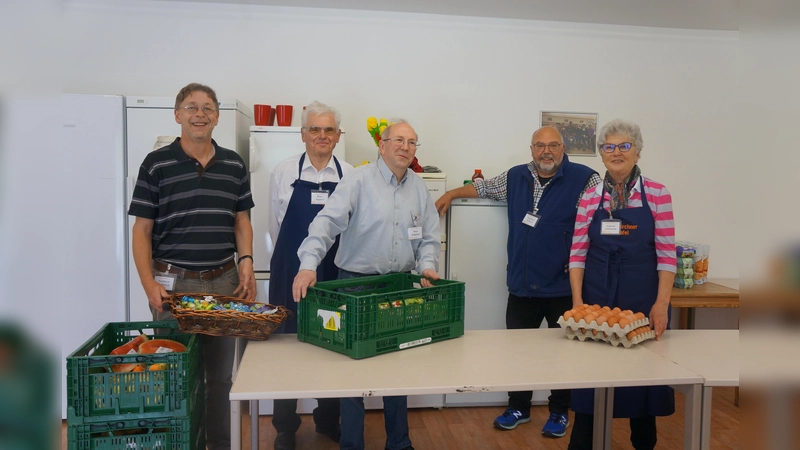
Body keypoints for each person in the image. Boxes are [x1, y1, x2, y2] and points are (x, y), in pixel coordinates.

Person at [435, 126, 601, 438]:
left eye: (553, 145)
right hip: (522, 285)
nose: (546, 151)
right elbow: (482, 188)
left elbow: (599, 221)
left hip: (563, 286)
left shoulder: (586, 179)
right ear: (531, 149)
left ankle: (559, 411)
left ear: (563, 148)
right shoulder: (515, 177)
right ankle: (518, 408)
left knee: (562, 356)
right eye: (540, 145)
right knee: (517, 353)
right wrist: (450, 193)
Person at [293, 119, 440, 450]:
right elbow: (325, 224)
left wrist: (428, 266)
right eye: (398, 140)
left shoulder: (419, 187)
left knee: (397, 368)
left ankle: (399, 443)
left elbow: (429, 238)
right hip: (355, 287)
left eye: (412, 142)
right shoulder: (358, 180)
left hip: (400, 287)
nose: (405, 146)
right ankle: (351, 444)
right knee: (353, 372)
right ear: (382, 144)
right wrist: (308, 265)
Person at [128, 83, 256, 450]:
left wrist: (246, 261)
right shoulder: (156, 164)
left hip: (224, 282)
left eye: (207, 108)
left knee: (220, 378)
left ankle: (218, 444)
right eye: (191, 107)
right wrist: (147, 282)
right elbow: (142, 229)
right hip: (173, 285)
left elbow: (241, 220)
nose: (199, 114)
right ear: (177, 114)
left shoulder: (233, 164)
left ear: (217, 116)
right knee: (174, 376)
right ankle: (180, 444)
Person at [567, 119, 676, 450]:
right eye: (609, 147)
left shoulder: (657, 194)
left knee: (642, 387)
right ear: (601, 155)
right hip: (597, 297)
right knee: (591, 386)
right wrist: (577, 303)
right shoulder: (589, 197)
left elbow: (667, 256)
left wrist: (660, 304)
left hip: (643, 297)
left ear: (638, 151)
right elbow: (577, 254)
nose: (616, 152)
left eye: (624, 146)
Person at [267, 101, 353, 450]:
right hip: (289, 267)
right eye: (314, 129)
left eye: (328, 130)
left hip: (333, 271)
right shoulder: (284, 172)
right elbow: (274, 225)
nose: (321, 136)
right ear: (303, 134)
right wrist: (295, 260)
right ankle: (285, 426)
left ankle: (328, 420)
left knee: (331, 342)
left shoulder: (349, 174)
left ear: (338, 136)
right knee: (285, 344)